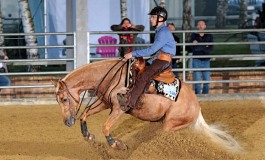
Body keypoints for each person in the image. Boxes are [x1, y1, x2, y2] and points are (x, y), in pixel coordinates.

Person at [117, 6, 176, 111]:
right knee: (137, 68)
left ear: (160, 18)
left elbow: (151, 50)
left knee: (144, 76)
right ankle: (134, 94)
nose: (151, 19)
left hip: (163, 60)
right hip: (159, 58)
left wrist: (133, 54)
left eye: (153, 17)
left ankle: (130, 103)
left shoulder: (163, 32)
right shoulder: (161, 31)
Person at [190, 20, 213, 94]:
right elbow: (192, 48)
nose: (200, 26)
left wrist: (198, 45)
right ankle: (198, 97)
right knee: (197, 81)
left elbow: (210, 48)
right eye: (199, 24)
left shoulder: (209, 35)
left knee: (207, 80)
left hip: (206, 60)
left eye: (202, 24)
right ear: (197, 26)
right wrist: (205, 46)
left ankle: (205, 96)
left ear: (205, 26)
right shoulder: (193, 35)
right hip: (196, 60)